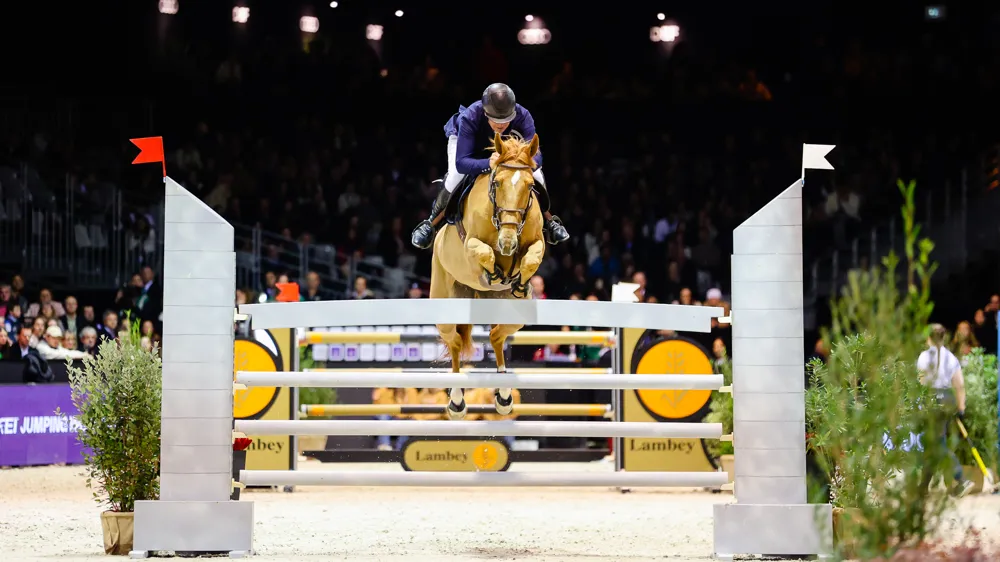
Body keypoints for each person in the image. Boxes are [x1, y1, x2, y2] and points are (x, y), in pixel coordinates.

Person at [410, 83, 570, 249]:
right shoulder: (471, 117)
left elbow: (536, 156)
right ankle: (431, 223)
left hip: (506, 154)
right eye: (495, 121)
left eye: (506, 121)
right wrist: (488, 163)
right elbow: (462, 163)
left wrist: (518, 161)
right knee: (455, 177)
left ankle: (549, 221)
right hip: (469, 147)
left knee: (536, 175)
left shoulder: (523, 117)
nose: (500, 125)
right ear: (485, 113)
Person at [916, 323, 973, 495]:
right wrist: (961, 407)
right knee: (933, 444)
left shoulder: (924, 357)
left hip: (932, 400)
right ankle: (923, 487)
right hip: (947, 399)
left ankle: (961, 478)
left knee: (937, 444)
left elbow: (921, 383)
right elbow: (959, 384)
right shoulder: (950, 357)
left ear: (929, 338)